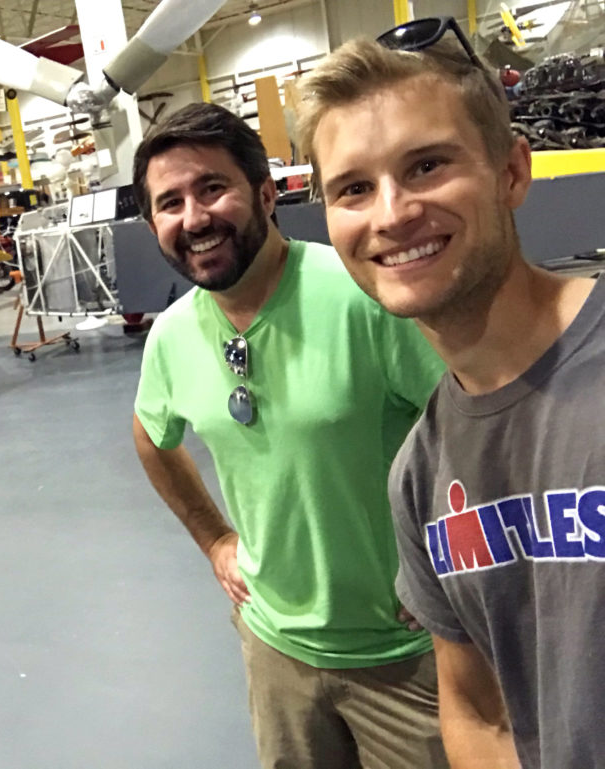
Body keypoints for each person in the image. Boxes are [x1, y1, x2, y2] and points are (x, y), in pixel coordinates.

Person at [296, 17, 603, 769]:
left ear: (512, 173)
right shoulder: (420, 476)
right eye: (354, 189)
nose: (393, 213)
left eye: (428, 166)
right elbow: (476, 710)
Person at [131, 102, 448, 769]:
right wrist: (213, 537)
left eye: (212, 188)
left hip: (406, 655)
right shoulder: (172, 334)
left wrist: (447, 565)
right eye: (169, 203)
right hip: (275, 648)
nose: (194, 218)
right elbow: (151, 435)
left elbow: (473, 417)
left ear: (267, 194)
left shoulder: (365, 295)